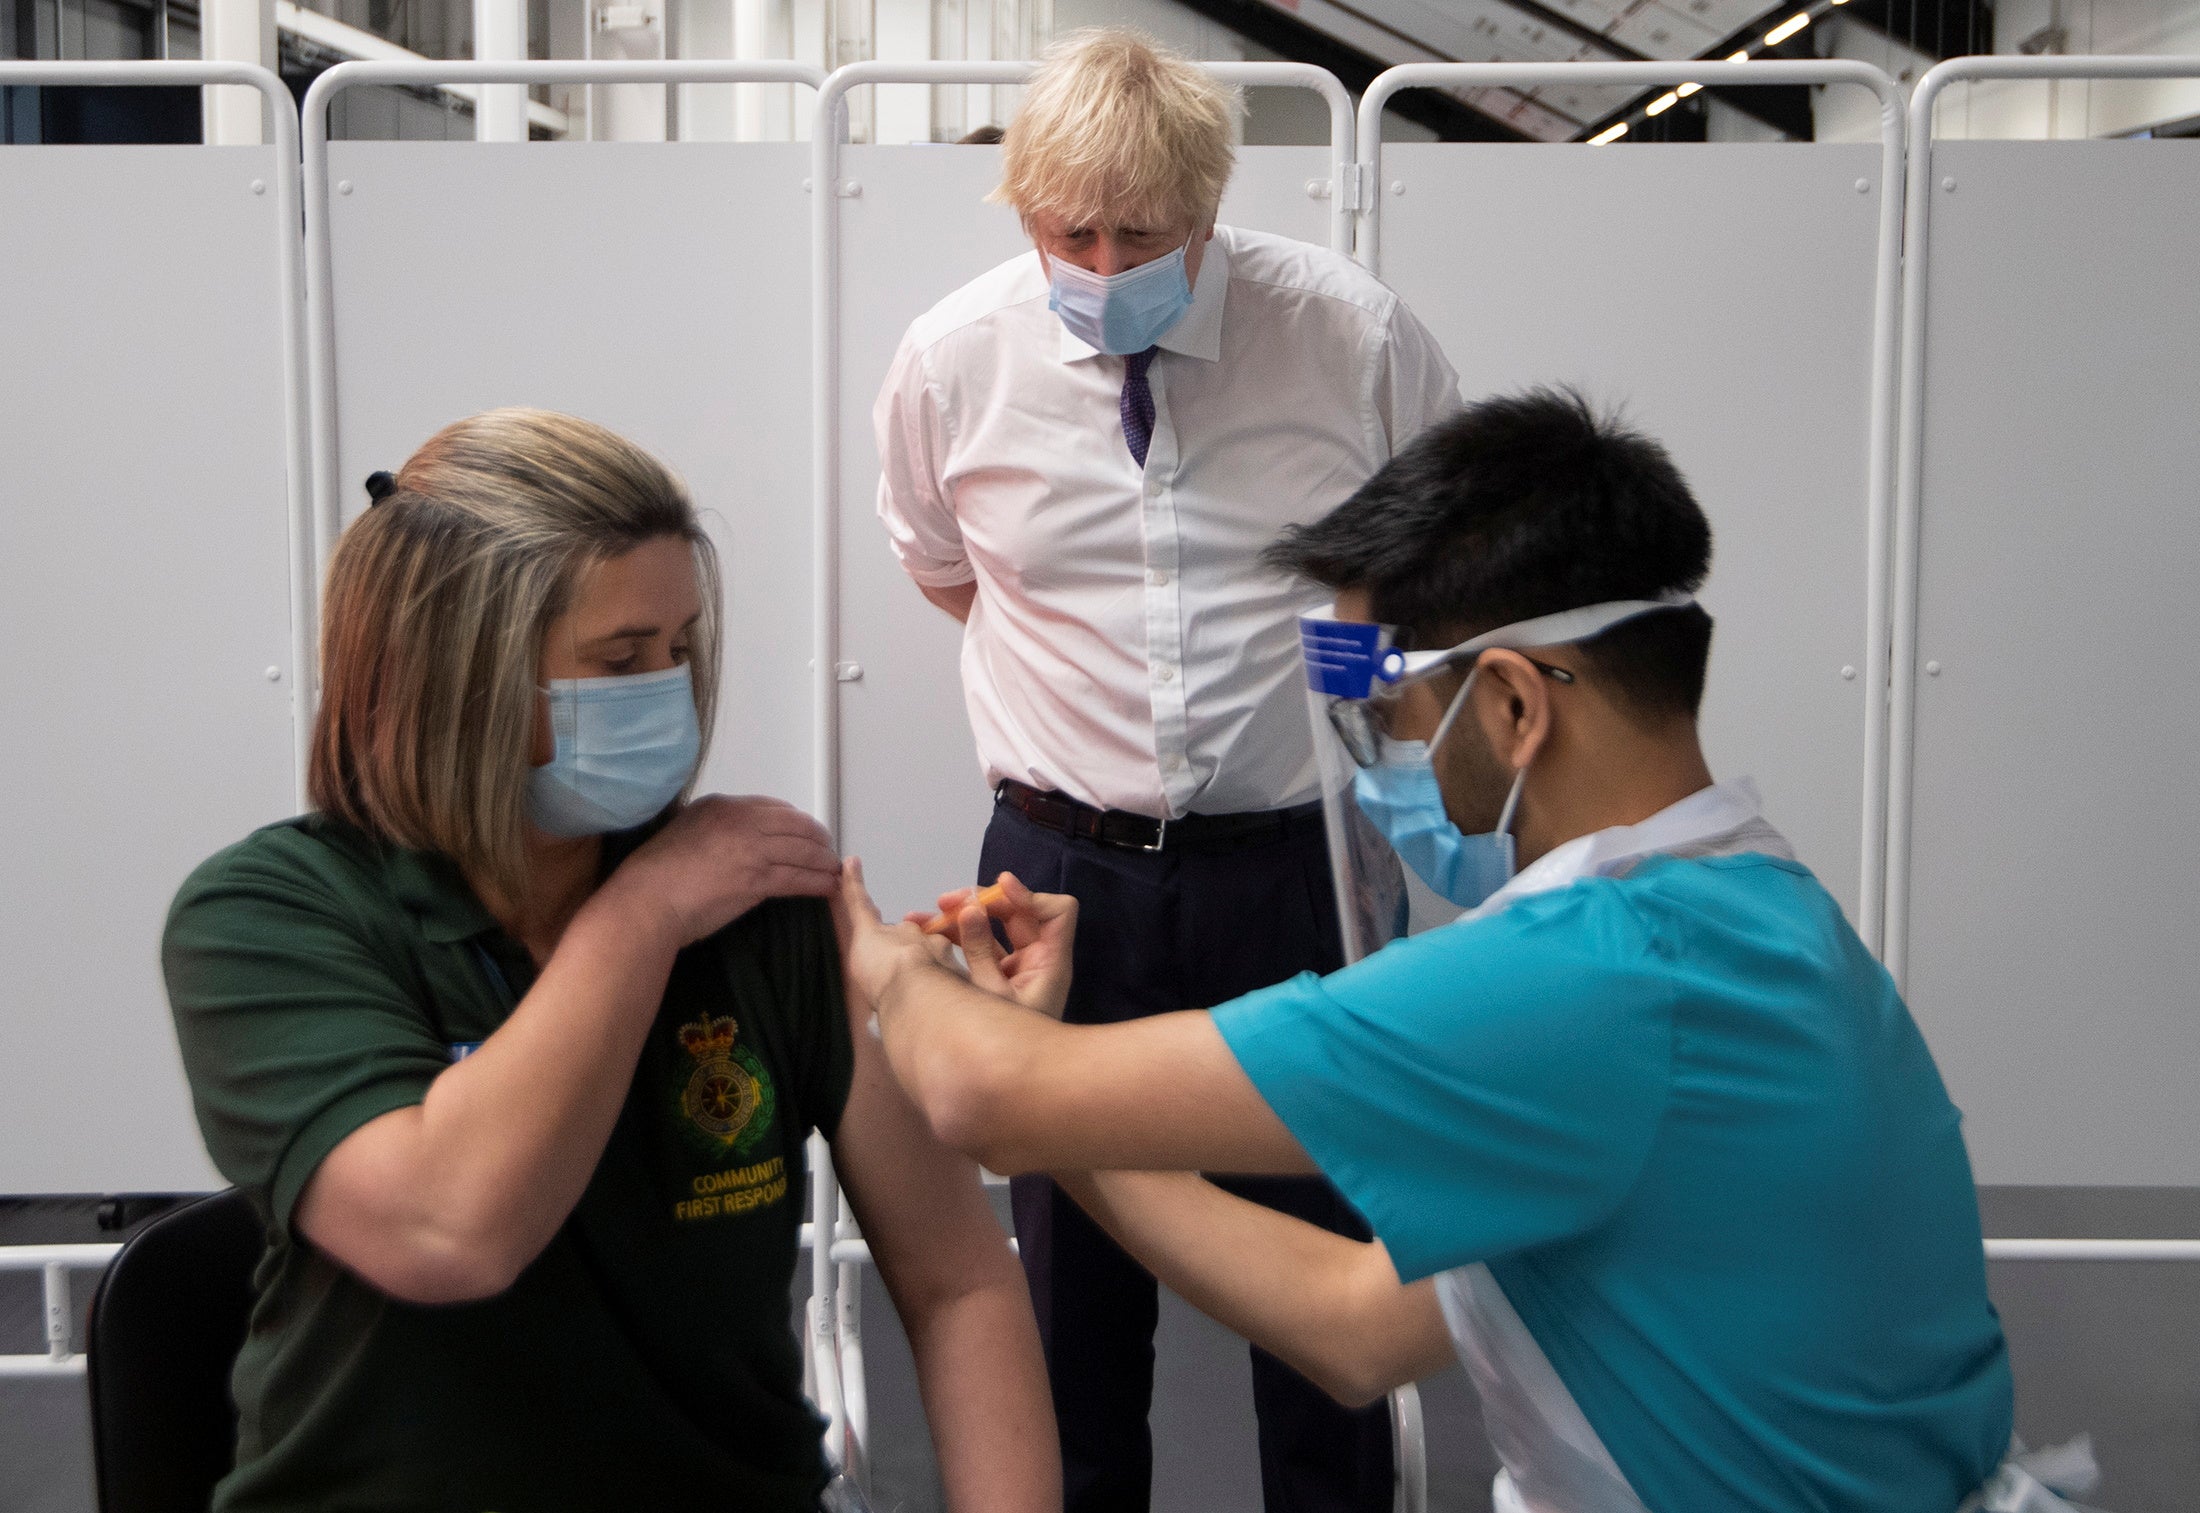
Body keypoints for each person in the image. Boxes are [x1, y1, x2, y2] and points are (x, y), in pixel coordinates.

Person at [842, 389, 2023, 1513]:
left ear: (1513, 704)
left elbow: (982, 1094)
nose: (1374, 762)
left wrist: (887, 964)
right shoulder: (1758, 911)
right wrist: (1057, 1092)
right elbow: (1357, 1323)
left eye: (1387, 719)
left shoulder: (1585, 975)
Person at [162, 410, 1058, 1512]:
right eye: (621, 658)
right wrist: (642, 916)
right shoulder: (271, 916)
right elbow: (450, 1228)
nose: (670, 690)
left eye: (679, 647)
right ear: (453, 673)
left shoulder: (756, 906)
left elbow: (959, 1278)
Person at [871, 27, 1458, 1512]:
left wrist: (1333, 722)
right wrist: (1104, 706)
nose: (1105, 258)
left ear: (1213, 208)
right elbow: (952, 571)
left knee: (1326, 1278)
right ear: (1019, 207)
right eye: (1070, 230)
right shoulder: (954, 360)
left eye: (1147, 232)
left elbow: (1404, 589)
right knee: (1070, 1303)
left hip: (1296, 865)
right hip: (1054, 867)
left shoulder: (1353, 339)